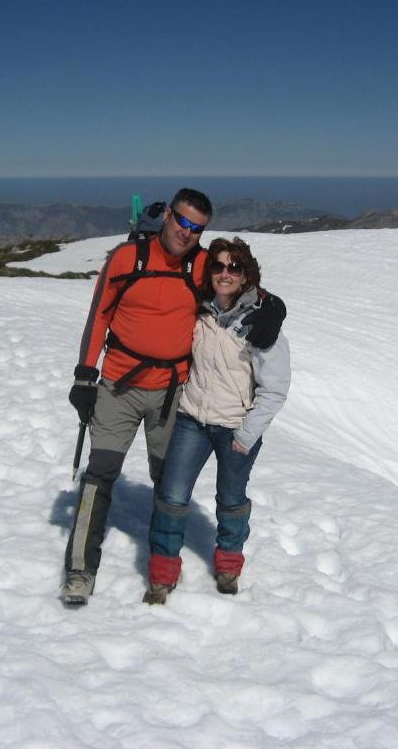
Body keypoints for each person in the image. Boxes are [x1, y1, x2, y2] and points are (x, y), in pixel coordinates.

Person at [61, 188, 286, 605]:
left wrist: (275, 309)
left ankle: (161, 568)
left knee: (168, 486)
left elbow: (240, 285)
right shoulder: (127, 259)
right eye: (181, 222)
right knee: (101, 473)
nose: (187, 233)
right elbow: (100, 315)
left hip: (173, 393)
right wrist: (84, 374)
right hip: (119, 385)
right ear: (166, 216)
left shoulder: (201, 264)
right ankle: (79, 569)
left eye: (196, 228)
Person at [144, 237, 291, 604]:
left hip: (235, 426)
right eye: (219, 266)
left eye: (234, 267)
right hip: (192, 418)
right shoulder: (199, 310)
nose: (225, 273)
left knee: (230, 498)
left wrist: (247, 432)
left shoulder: (260, 323)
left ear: (246, 275)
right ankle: (162, 574)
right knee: (172, 496)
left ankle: (228, 564)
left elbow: (274, 389)